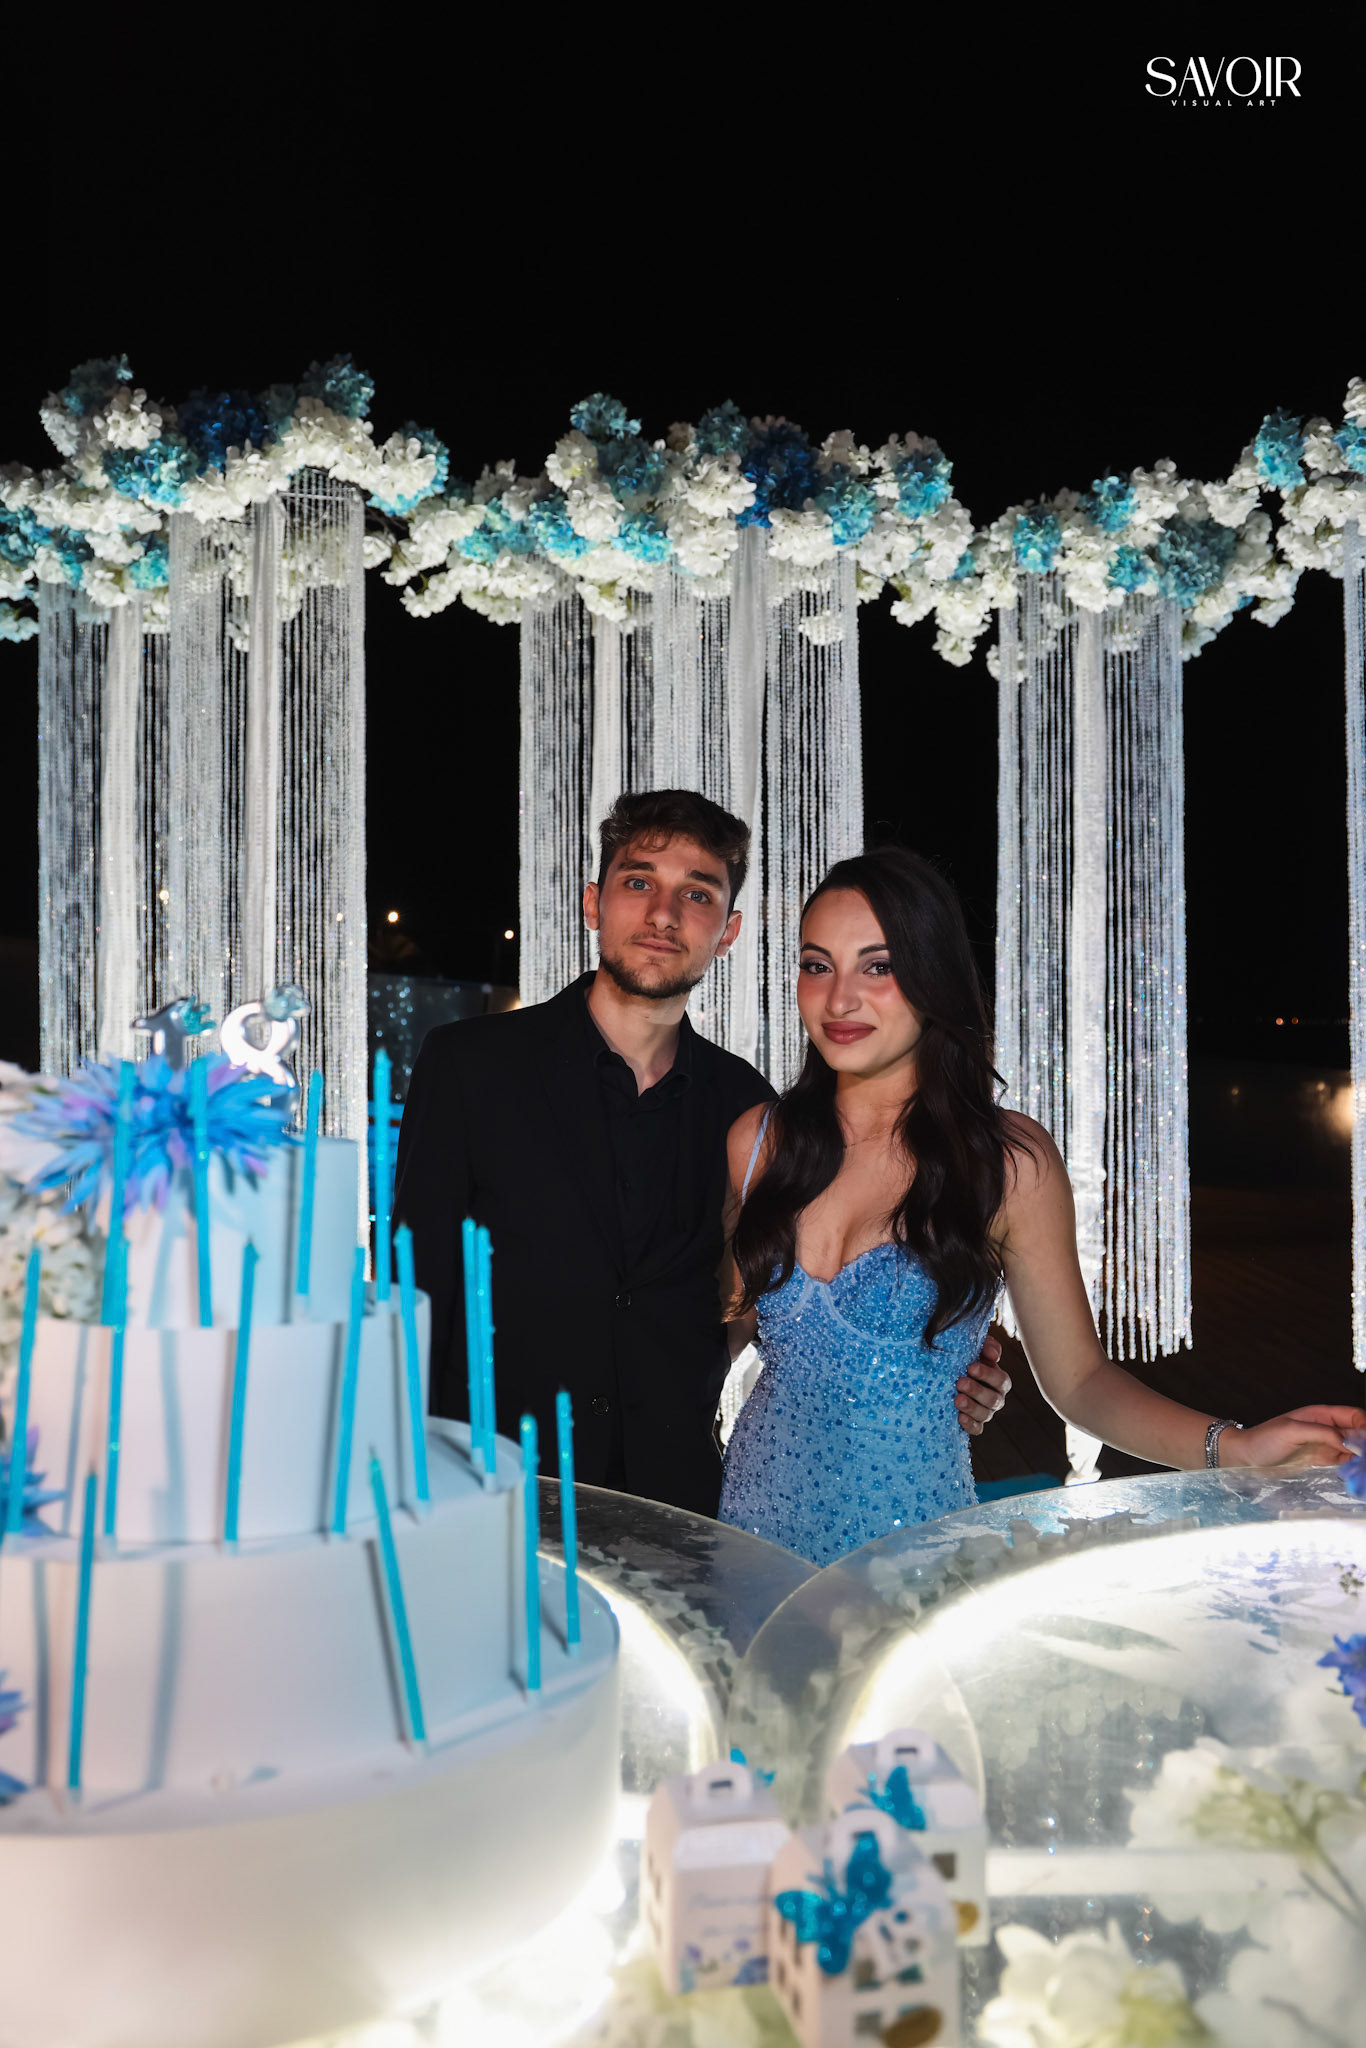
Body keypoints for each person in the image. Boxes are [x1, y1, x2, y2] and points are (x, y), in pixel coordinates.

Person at [718, 844, 1366, 1565]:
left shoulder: (1002, 1163)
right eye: (817, 966)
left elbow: (1081, 1380)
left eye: (879, 966)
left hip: (909, 1546)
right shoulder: (758, 1142)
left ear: (933, 977)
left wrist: (1235, 1448)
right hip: (752, 1523)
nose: (839, 999)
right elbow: (721, 1335)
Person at [393, 791, 1012, 1518]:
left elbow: (781, 1307)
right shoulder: (469, 1066)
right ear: (593, 903)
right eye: (638, 881)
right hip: (493, 1493)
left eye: (696, 894)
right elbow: (416, 1293)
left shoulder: (753, 1114)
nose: (663, 914)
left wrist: (943, 1363)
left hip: (681, 1505)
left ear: (728, 931)